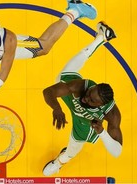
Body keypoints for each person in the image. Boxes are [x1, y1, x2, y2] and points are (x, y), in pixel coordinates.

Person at [42, 21, 122, 176]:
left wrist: (101, 132)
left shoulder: (111, 115)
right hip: (69, 99)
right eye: (89, 94)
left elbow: (117, 152)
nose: (86, 99)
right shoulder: (80, 87)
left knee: (72, 150)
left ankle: (59, 162)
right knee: (62, 76)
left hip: (84, 123)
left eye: (91, 101)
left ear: (100, 105)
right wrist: (57, 108)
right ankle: (99, 39)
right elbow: (48, 92)